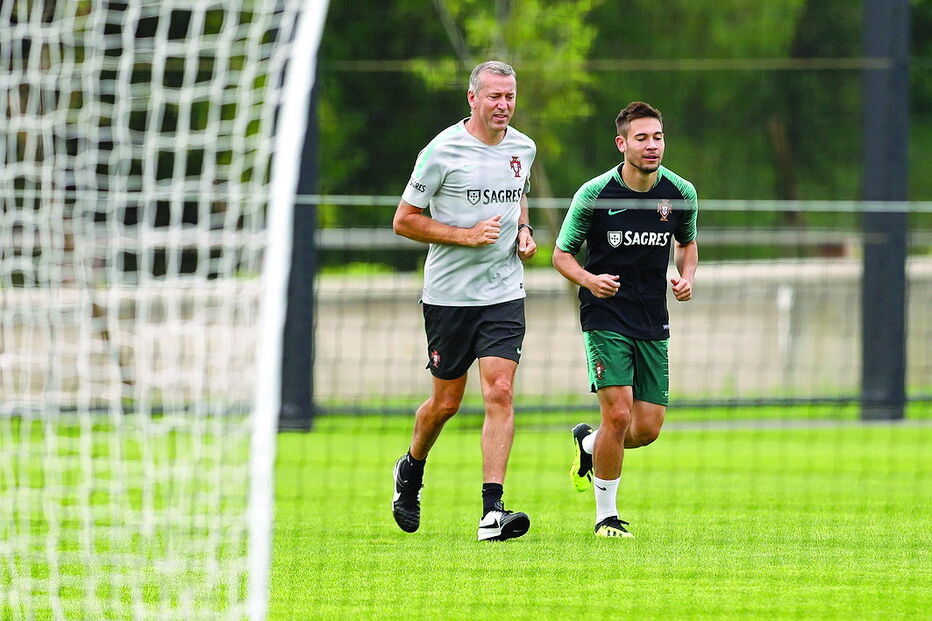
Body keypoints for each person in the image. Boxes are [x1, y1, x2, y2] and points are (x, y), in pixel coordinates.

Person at [390, 60, 537, 542]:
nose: (504, 105)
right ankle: (410, 470)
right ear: (472, 99)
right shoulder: (441, 150)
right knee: (445, 403)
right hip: (449, 298)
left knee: (500, 391)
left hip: (503, 292)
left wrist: (524, 232)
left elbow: (518, 198)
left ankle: (492, 512)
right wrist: (464, 236)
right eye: (494, 96)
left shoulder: (523, 148)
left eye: (510, 96)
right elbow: (405, 220)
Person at [551, 101, 698, 538]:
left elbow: (687, 246)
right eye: (641, 138)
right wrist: (589, 280)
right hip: (605, 315)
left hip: (652, 317)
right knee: (617, 415)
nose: (651, 146)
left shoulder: (681, 193)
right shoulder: (594, 194)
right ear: (622, 144)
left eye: (657, 137)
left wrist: (686, 278)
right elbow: (561, 256)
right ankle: (606, 516)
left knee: (646, 428)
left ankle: (589, 444)